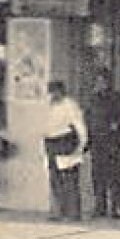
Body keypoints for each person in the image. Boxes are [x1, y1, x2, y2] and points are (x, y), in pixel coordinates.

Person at [85, 75, 120, 218]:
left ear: (109, 82)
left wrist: (117, 124)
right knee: (97, 176)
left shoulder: (116, 98)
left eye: (103, 81)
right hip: (96, 141)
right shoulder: (92, 99)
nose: (100, 83)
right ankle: (100, 207)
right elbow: (87, 117)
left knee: (114, 176)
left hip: (111, 142)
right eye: (97, 81)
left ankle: (117, 207)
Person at [44, 80, 88, 221]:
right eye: (51, 92)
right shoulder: (49, 106)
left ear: (62, 92)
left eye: (55, 91)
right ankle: (58, 211)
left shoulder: (70, 105)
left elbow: (79, 126)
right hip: (51, 143)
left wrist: (81, 145)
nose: (53, 95)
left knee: (69, 179)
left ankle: (73, 212)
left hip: (66, 141)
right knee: (55, 179)